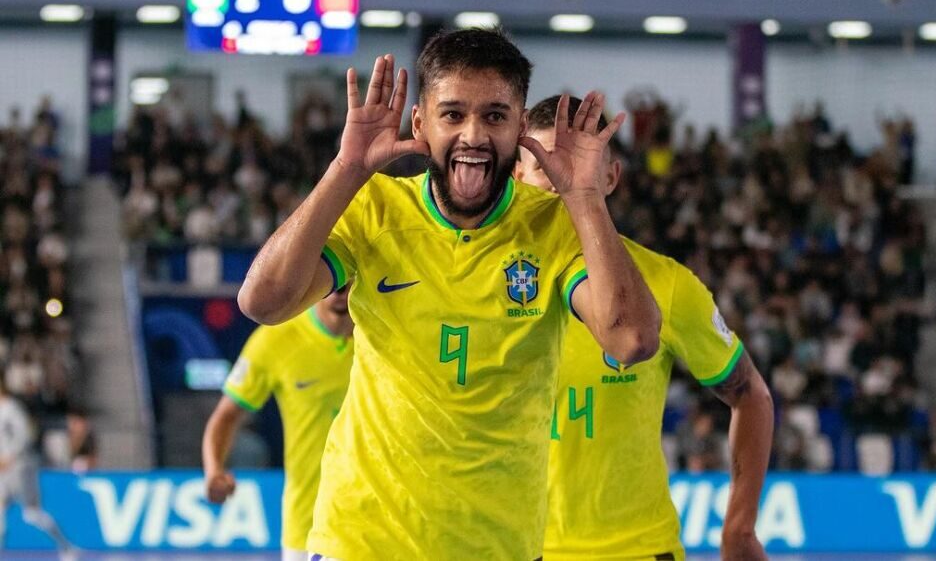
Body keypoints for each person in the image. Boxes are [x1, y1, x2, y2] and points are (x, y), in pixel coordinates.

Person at [238, 28, 661, 560]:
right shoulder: (376, 209)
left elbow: (632, 341)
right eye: (453, 114)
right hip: (362, 538)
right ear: (420, 123)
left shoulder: (554, 227)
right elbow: (263, 302)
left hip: (498, 547)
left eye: (495, 115)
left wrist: (584, 197)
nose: (474, 136)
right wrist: (347, 169)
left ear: (519, 127)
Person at [516, 95, 773, 561]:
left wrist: (739, 527)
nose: (561, 179)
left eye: (579, 163)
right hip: (508, 548)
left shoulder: (666, 286)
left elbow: (750, 394)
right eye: (543, 164)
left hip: (637, 550)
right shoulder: (480, 279)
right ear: (517, 177)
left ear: (610, 178)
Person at [202, 288, 353, 561]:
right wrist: (214, 469)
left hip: (379, 517)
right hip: (308, 522)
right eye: (336, 279)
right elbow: (226, 414)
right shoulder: (276, 339)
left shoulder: (384, 332)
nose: (341, 289)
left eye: (350, 277)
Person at [0, 377, 77, 560]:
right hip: (3, 470)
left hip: (20, 467)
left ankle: (66, 546)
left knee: (31, 513)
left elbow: (25, 435)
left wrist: (11, 456)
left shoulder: (12, 409)